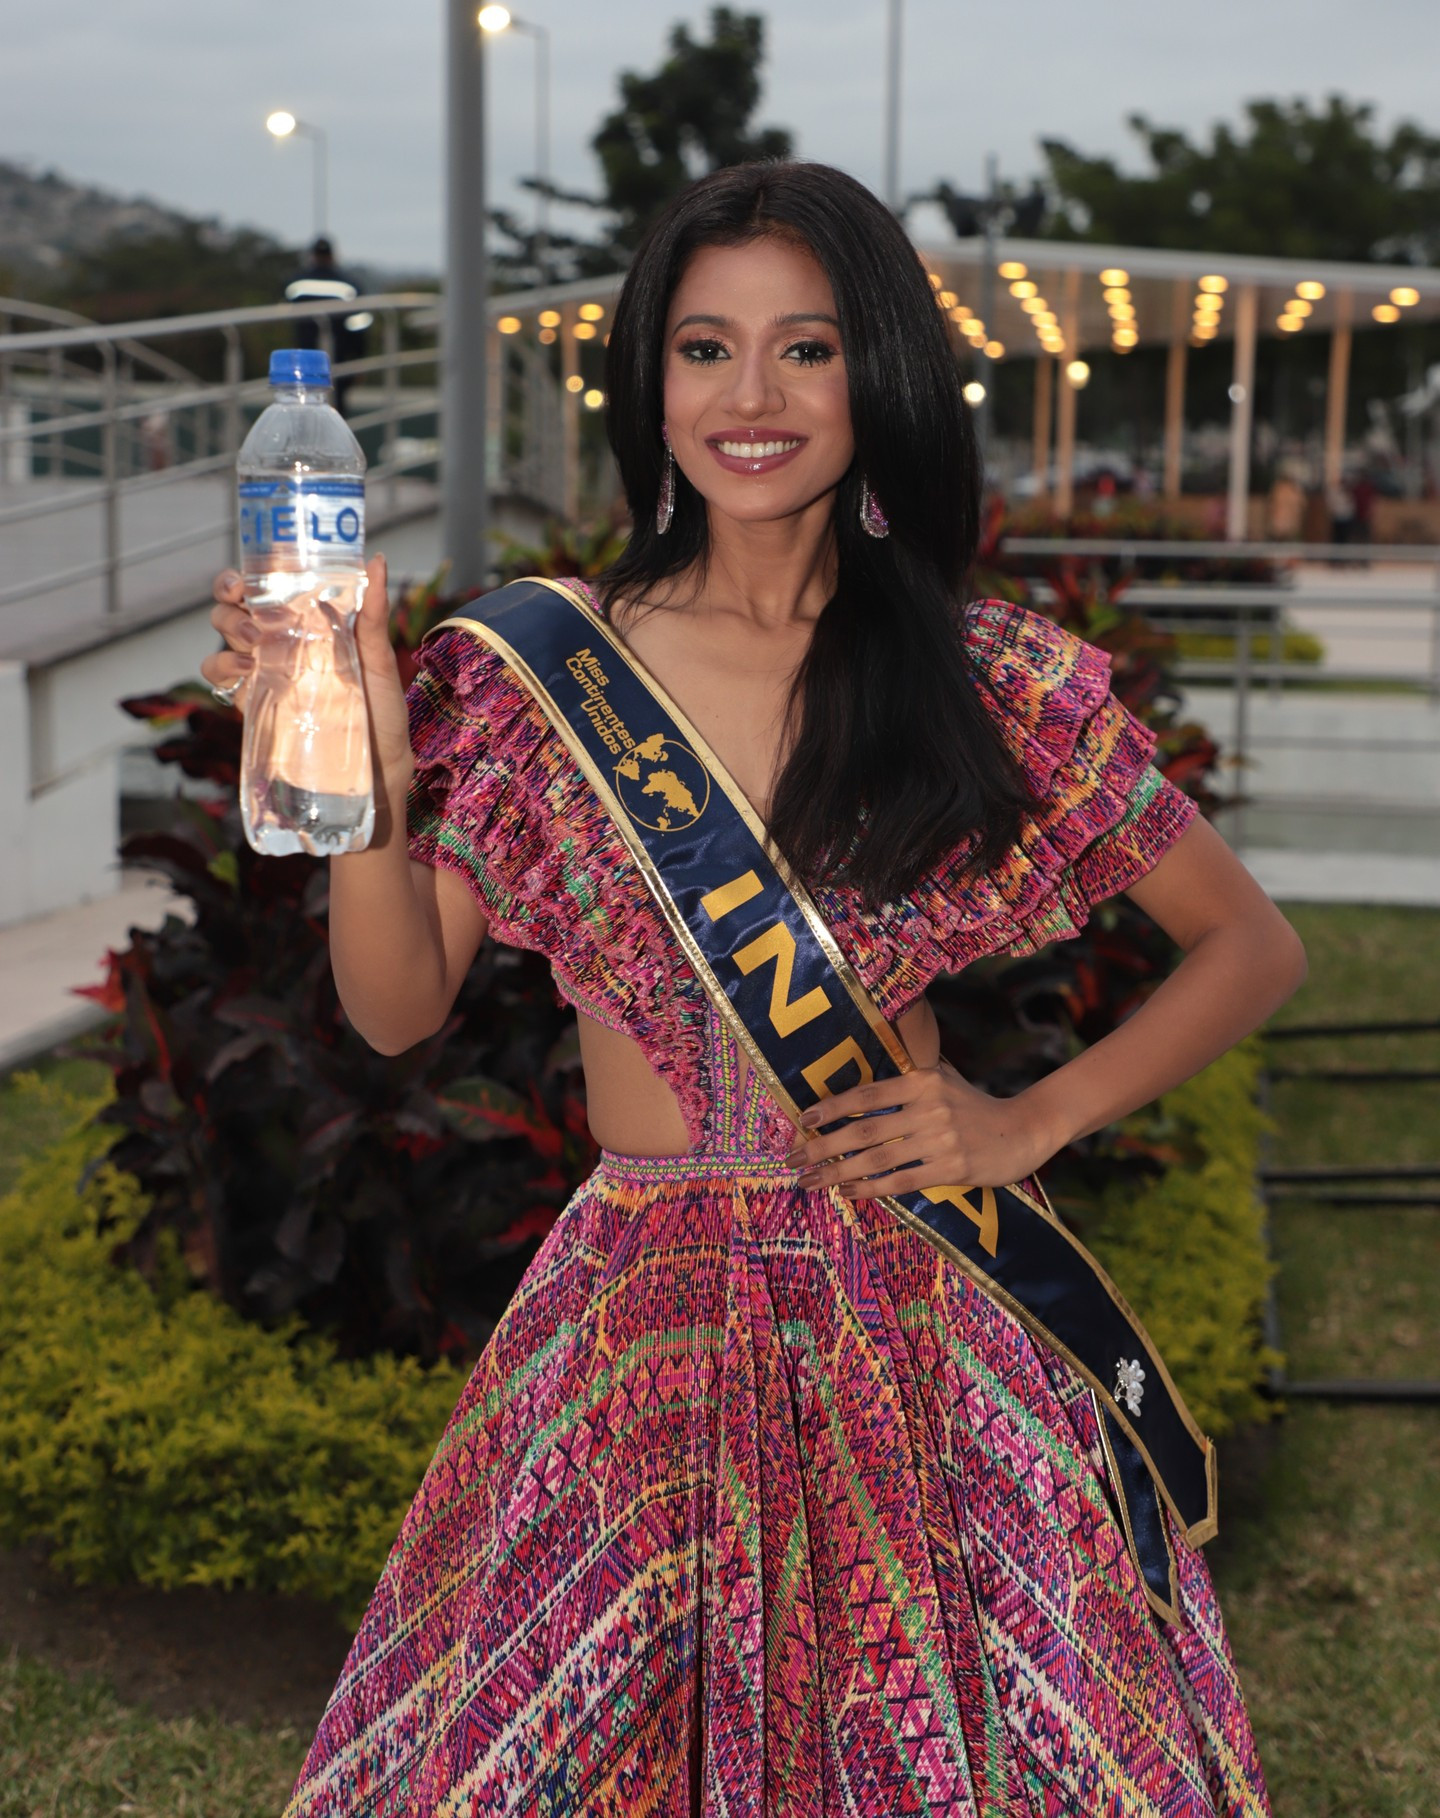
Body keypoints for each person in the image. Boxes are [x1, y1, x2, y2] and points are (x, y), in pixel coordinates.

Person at [206, 161, 1297, 1815]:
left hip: (911, 1297)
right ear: (654, 378)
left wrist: (1036, 1117)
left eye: (808, 347)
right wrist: (359, 767)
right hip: (631, 1308)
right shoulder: (536, 673)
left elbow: (1250, 942)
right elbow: (394, 1004)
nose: (752, 395)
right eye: (705, 348)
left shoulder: (978, 673)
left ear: (882, 373)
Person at [283, 236, 372, 419]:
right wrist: (359, 360)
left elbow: (285, 312)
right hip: (338, 359)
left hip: (304, 358)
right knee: (335, 411)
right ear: (333, 255)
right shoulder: (349, 286)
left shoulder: (296, 284)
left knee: (303, 408)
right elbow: (359, 326)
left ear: (313, 255)